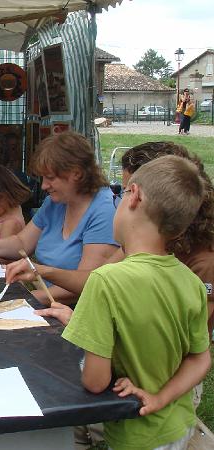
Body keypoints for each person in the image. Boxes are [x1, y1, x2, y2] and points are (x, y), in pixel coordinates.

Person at [62, 155, 211, 450]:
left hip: (136, 435)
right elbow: (200, 358)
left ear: (135, 195)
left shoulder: (105, 281)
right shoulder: (192, 282)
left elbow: (94, 381)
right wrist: (159, 397)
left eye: (121, 193)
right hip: (177, 426)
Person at [10, 142, 214, 336]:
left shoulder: (203, 261)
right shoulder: (142, 241)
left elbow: (188, 343)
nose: (118, 202)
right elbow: (95, 279)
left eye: (125, 192)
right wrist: (41, 271)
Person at [0, 131, 118, 305]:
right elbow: (22, 243)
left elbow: (88, 284)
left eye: (50, 178)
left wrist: (25, 297)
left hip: (76, 314)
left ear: (76, 173)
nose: (44, 186)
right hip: (47, 301)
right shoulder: (55, 202)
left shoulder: (105, 211)